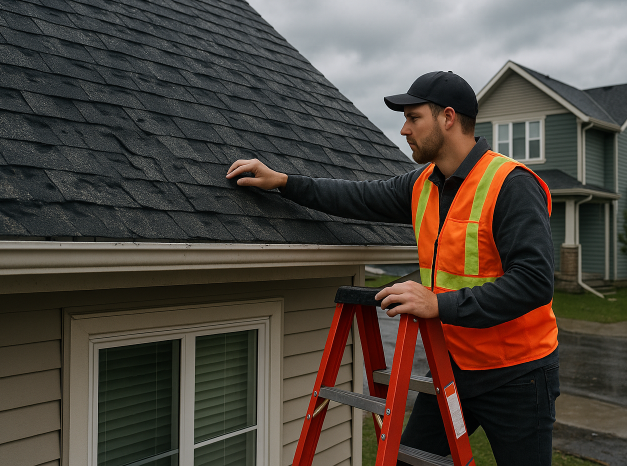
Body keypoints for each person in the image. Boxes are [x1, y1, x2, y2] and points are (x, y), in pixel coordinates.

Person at [226, 71, 559, 466]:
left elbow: (535, 283)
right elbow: (357, 197)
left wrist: (439, 304)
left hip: (518, 376)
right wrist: (283, 181)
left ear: (448, 118)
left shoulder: (511, 184)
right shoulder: (422, 183)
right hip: (453, 367)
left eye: (413, 117)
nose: (403, 129)